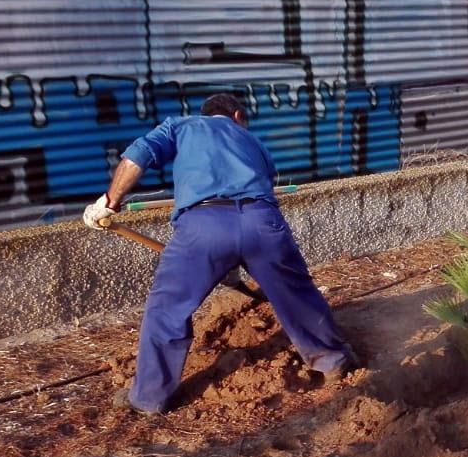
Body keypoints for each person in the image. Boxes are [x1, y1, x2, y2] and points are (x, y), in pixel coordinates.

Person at [83, 92, 360, 415]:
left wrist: (109, 202)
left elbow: (137, 155)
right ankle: (332, 361)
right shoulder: (252, 142)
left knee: (167, 310)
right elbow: (262, 186)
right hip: (262, 222)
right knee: (298, 294)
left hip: (203, 226)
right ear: (238, 116)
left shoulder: (180, 126)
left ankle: (148, 398)